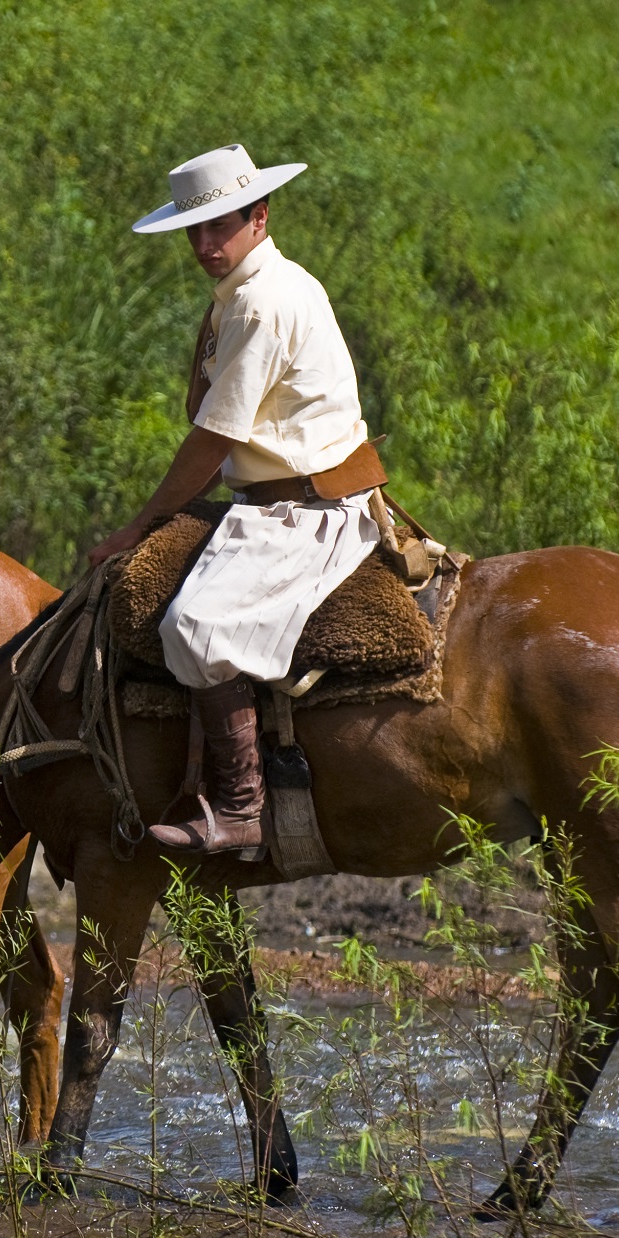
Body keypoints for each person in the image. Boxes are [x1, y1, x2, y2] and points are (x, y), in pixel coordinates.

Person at [88, 144, 381, 858]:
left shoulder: (261, 301)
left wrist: (140, 524)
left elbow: (213, 438)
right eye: (194, 231)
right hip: (274, 497)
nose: (205, 244)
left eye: (220, 226)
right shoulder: (246, 294)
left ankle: (243, 806)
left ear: (260, 215)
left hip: (306, 510)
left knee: (196, 628)